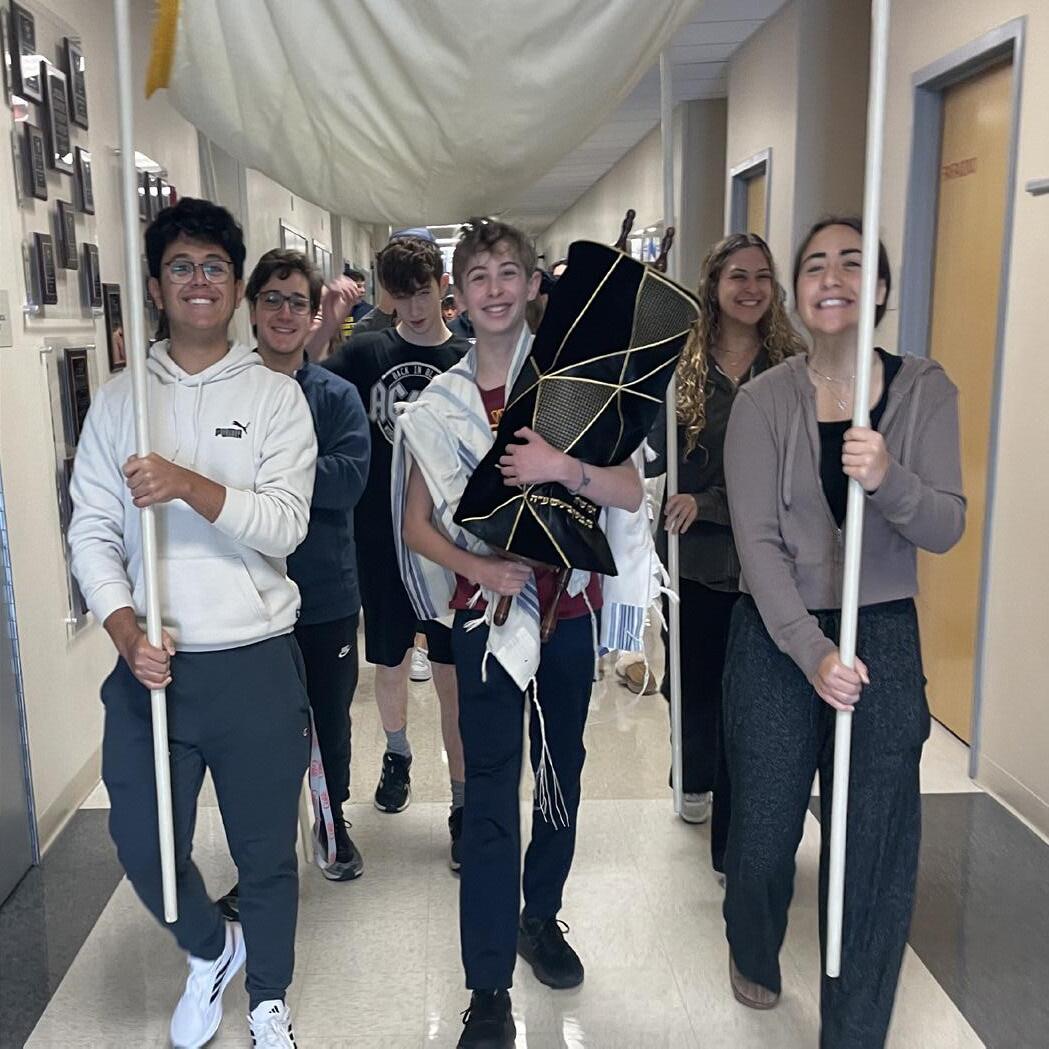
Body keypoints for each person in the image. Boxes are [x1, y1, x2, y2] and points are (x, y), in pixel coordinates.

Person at [395, 217, 654, 1049]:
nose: (495, 288)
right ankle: (486, 988)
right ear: (457, 295)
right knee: (489, 795)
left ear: (534, 283)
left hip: (566, 615)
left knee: (559, 776)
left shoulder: (571, 381)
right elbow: (416, 526)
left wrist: (559, 468)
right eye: (478, 276)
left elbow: (627, 492)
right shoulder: (438, 407)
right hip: (485, 619)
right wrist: (483, 567)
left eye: (508, 271)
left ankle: (538, 915)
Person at [68, 198, 317, 1049]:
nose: (198, 280)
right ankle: (212, 949)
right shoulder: (119, 403)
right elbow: (91, 531)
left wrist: (186, 483)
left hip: (254, 662)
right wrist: (125, 632)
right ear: (155, 286)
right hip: (155, 667)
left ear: (236, 286)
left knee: (265, 851)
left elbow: (285, 524)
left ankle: (270, 997)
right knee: (143, 843)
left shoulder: (276, 399)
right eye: (181, 266)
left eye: (214, 266)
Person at [721, 216, 965, 1047]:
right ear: (797, 292)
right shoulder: (762, 401)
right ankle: (751, 941)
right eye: (815, 264)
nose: (832, 277)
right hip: (775, 637)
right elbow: (756, 546)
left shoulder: (924, 390)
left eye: (853, 263)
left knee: (872, 848)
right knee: (762, 835)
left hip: (882, 632)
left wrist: (888, 476)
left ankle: (853, 1029)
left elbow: (945, 525)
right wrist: (813, 651)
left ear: (881, 289)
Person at [647, 233, 802, 868]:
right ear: (713, 285)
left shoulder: (792, 368)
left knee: (752, 695)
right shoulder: (680, 368)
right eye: (737, 275)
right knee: (691, 685)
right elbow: (655, 459)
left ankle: (739, 826)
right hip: (695, 561)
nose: (751, 288)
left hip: (769, 562)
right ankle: (693, 771)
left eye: (762, 276)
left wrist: (709, 502)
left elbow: (790, 475)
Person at [325, 233, 469, 866]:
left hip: (447, 543)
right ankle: (397, 753)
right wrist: (326, 318)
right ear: (387, 295)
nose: (414, 307)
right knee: (388, 660)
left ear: (442, 285)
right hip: (379, 537)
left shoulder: (467, 360)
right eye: (402, 295)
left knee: (451, 675)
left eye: (423, 292)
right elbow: (299, 381)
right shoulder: (366, 353)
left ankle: (462, 801)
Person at [249, 248, 370, 879]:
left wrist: (265, 476)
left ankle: (331, 819)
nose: (285, 312)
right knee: (257, 731)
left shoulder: (337, 397)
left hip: (324, 592)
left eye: (298, 301)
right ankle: (262, 849)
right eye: (272, 298)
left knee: (329, 718)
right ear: (252, 308)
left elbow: (348, 481)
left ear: (313, 313)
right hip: (246, 597)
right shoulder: (226, 392)